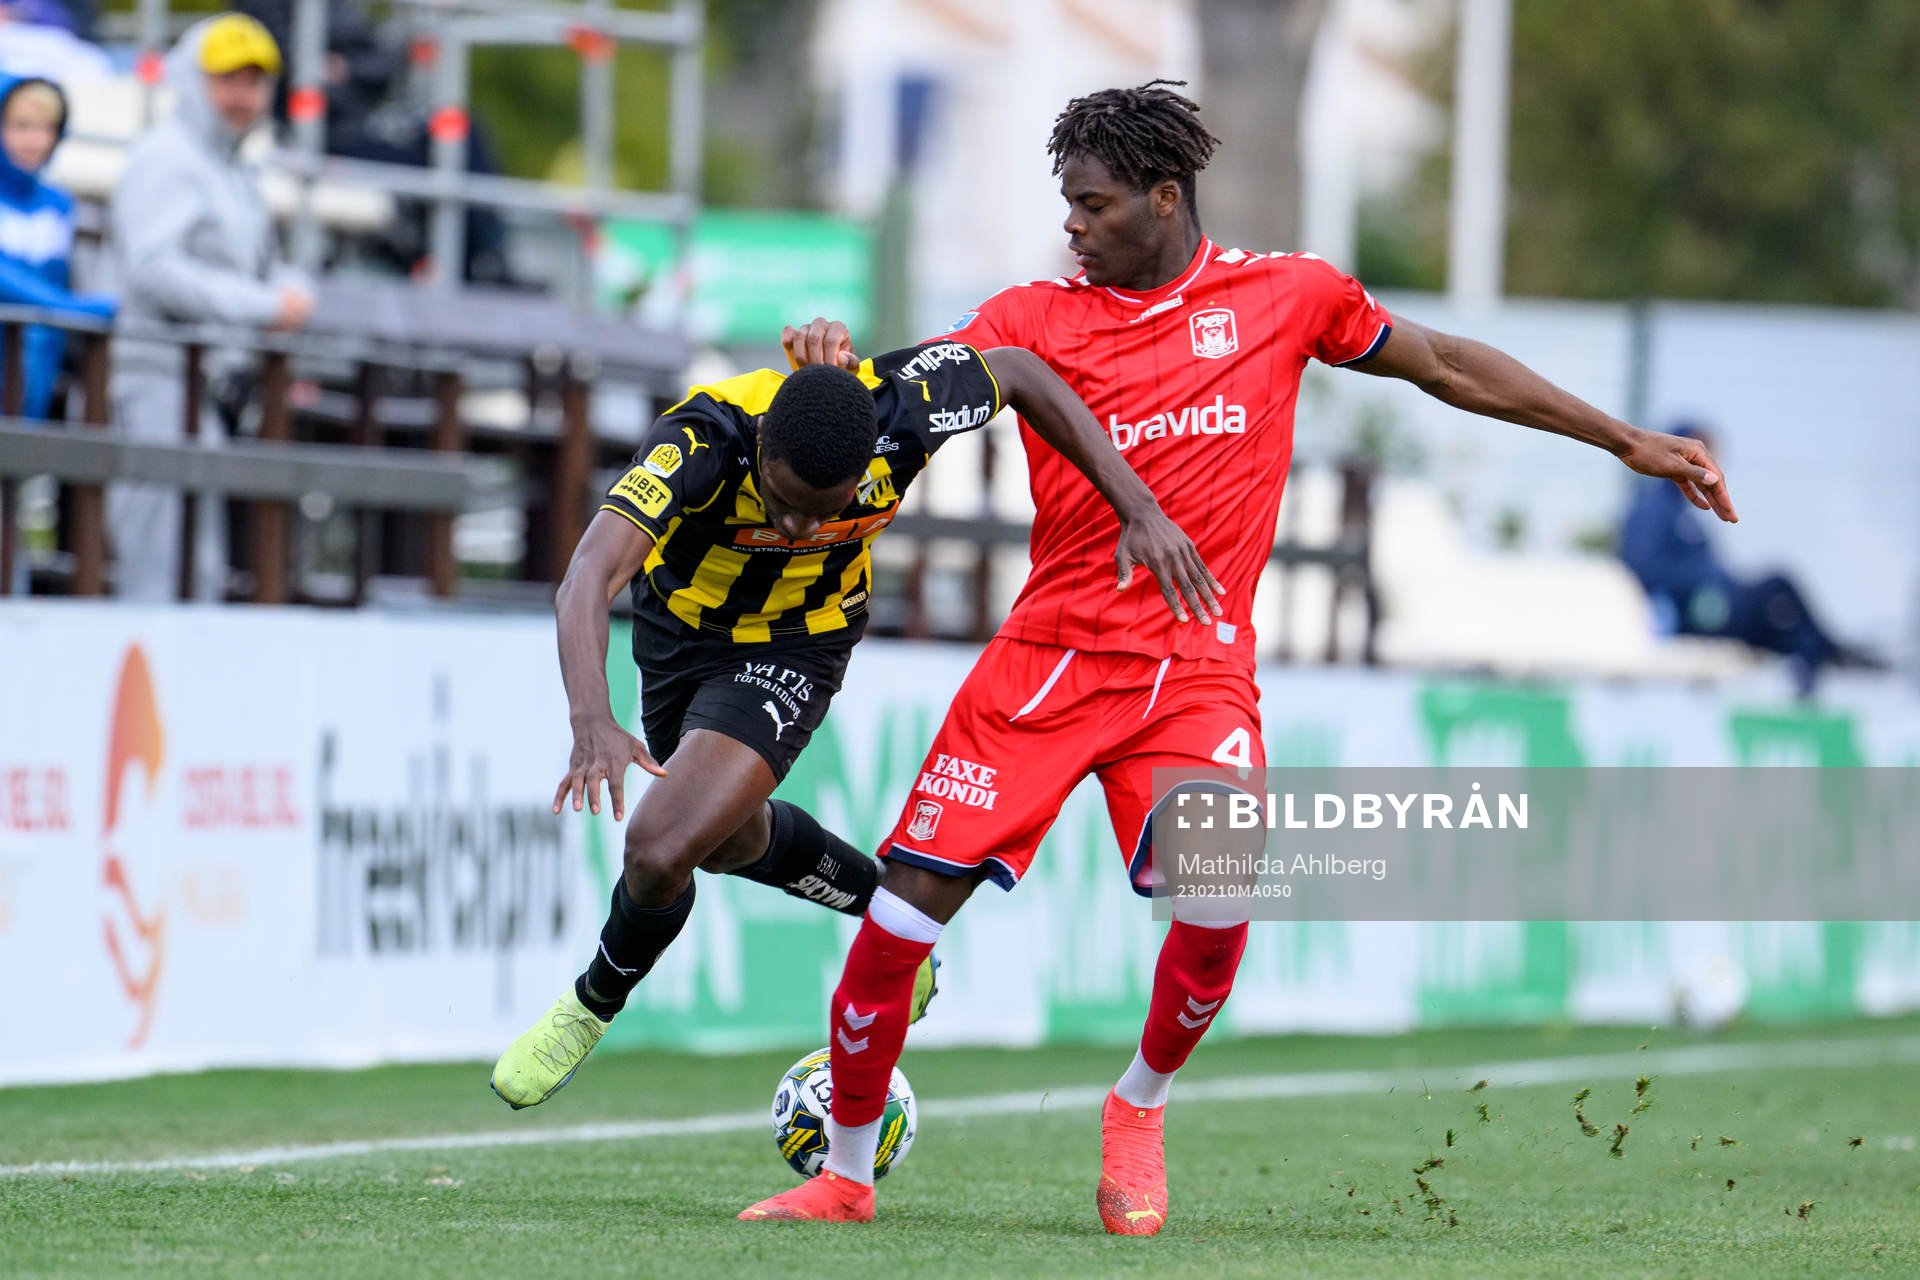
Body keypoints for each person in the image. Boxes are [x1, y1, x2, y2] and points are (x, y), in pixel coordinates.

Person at [742, 80, 1736, 1230]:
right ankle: (847, 1175)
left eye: (1092, 203)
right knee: (902, 918)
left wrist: (1626, 440)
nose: (1071, 223)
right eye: (1065, 202)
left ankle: (1139, 1104)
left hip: (1192, 668)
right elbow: (899, 397)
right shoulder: (1026, 318)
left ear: (1165, 198)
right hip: (1047, 663)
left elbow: (1448, 364)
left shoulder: (1288, 295)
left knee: (1220, 895)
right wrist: (834, 367)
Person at [487, 339, 1219, 1111]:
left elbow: (1026, 373)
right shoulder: (702, 437)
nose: (802, 527)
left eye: (825, 506)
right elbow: (585, 581)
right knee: (720, 842)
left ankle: (590, 1004)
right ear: (763, 445)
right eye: (785, 499)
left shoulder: (904, 411)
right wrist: (591, 717)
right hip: (681, 642)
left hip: (799, 643)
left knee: (660, 842)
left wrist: (1138, 508)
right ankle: (887, 910)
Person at [105, 13, 314, 601]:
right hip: (157, 379)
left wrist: (289, 289)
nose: (243, 95)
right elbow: (151, 266)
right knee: (162, 563)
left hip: (206, 389)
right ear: (193, 81)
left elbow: (261, 267)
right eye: (227, 79)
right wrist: (262, 305)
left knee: (196, 565)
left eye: (254, 80)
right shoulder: (166, 158)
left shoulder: (237, 170)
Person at [1620, 422, 1874, 695]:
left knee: (1791, 635)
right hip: (1693, 609)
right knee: (1778, 584)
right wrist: (1707, 582)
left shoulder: (1684, 509)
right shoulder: (1652, 510)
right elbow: (1644, 569)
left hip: (1716, 599)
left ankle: (1815, 678)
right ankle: (1834, 652)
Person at [0, 73, 113, 421]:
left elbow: (59, 277)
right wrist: (66, 307)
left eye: (46, 128)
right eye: (21, 125)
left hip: (35, 374)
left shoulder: (59, 204)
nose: (34, 140)